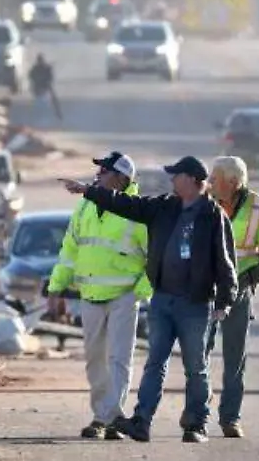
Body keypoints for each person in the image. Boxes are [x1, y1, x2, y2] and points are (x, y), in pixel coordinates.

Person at [64, 156, 237, 444]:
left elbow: (225, 261)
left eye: (176, 175)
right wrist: (88, 190)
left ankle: (196, 424)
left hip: (195, 305)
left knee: (196, 367)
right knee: (155, 363)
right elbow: (128, 205)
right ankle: (141, 422)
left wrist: (224, 300)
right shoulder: (164, 207)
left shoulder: (212, 215)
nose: (171, 180)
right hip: (163, 301)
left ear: (193, 180)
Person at [47, 152, 151, 440]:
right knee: (95, 359)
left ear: (121, 178)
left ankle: (103, 418)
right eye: (99, 171)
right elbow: (70, 250)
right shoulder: (85, 207)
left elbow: (155, 257)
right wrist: (56, 288)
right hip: (90, 294)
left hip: (124, 296)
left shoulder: (138, 210)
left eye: (105, 171)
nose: (98, 175)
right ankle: (110, 416)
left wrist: (140, 291)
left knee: (119, 358)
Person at [202, 156, 259, 438]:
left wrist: (250, 280)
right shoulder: (202, 203)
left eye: (215, 178)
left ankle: (230, 418)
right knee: (197, 356)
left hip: (238, 294)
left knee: (234, 359)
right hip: (203, 292)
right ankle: (197, 415)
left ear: (233, 182)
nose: (209, 182)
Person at [28, 54, 62, 121]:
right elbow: (31, 77)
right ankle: (32, 115)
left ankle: (58, 113)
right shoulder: (36, 69)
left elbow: (50, 77)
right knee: (35, 100)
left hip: (45, 86)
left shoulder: (45, 68)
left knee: (54, 99)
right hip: (38, 87)